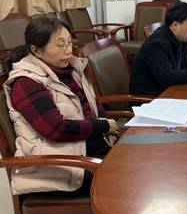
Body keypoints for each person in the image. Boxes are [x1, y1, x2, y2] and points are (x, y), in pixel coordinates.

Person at [3, 17, 118, 195]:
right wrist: (103, 126)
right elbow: (56, 129)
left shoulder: (69, 70)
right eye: (60, 45)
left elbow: (91, 105)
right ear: (36, 51)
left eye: (70, 43)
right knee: (127, 176)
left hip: (85, 150)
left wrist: (105, 121)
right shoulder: (27, 82)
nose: (68, 50)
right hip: (60, 165)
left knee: (141, 160)